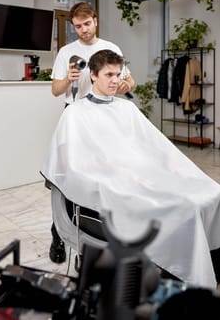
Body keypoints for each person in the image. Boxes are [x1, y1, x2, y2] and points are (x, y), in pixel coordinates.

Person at [42, 49, 220, 289]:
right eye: (109, 74)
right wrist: (115, 175)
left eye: (119, 74)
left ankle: (210, 272)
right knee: (184, 209)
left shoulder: (126, 108)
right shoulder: (75, 113)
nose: (116, 80)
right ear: (93, 75)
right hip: (112, 185)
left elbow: (156, 148)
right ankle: (183, 281)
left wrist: (167, 170)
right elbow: (72, 166)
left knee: (211, 193)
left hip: (140, 175)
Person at [49, 2, 135, 263]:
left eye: (87, 24)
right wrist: (69, 79)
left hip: (105, 119)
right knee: (67, 178)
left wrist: (123, 84)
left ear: (95, 21)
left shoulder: (111, 48)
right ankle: (58, 232)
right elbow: (55, 90)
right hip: (76, 118)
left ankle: (95, 233)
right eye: (77, 26)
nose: (83, 30)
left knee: (103, 178)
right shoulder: (66, 51)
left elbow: (130, 81)